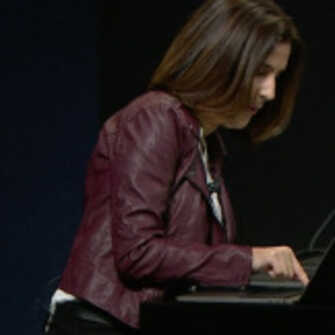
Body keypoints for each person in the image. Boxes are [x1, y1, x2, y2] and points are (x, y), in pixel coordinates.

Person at [45, 0, 309, 334]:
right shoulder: (154, 117)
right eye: (260, 71)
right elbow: (138, 253)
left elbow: (190, 260)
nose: (271, 91)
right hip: (100, 323)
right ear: (219, 59)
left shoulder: (205, 142)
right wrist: (250, 260)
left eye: (278, 75)